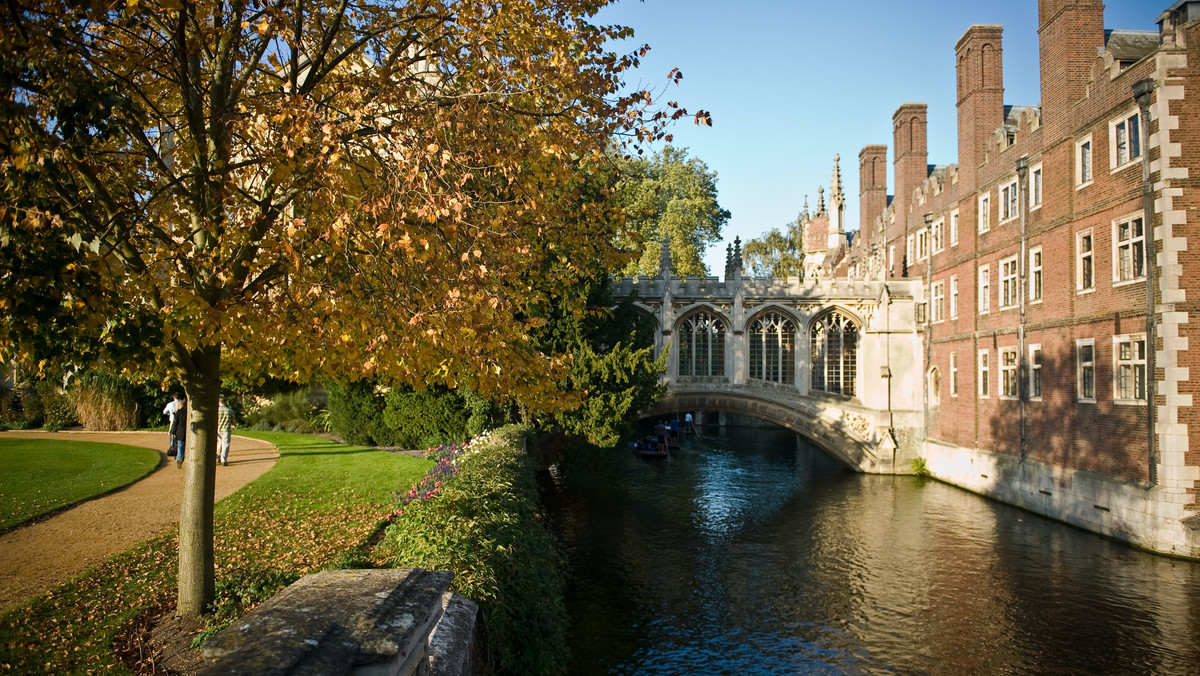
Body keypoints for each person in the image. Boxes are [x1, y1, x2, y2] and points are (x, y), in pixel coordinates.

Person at [217, 396, 236, 466]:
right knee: (225, 444)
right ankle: (223, 460)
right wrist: (234, 425)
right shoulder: (230, 410)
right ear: (225, 403)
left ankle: (217, 456)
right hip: (226, 429)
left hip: (218, 429)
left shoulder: (217, 410)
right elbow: (233, 421)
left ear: (219, 403)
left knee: (219, 443)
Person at [170, 397, 187, 467]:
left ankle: (179, 457)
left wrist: (173, 432)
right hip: (187, 430)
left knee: (180, 444)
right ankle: (184, 456)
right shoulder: (188, 412)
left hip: (180, 430)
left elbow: (175, 423)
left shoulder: (178, 412)